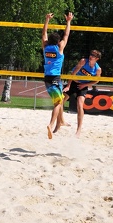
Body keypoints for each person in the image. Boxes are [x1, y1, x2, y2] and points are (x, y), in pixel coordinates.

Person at [42, 11, 73, 139]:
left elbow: (43, 33)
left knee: (59, 99)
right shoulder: (59, 48)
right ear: (58, 41)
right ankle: (51, 124)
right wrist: (68, 21)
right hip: (55, 78)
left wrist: (47, 20)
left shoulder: (45, 47)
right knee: (58, 103)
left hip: (47, 78)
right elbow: (66, 35)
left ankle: (59, 123)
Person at [60, 50, 102, 138]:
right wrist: (68, 85)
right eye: (90, 54)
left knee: (80, 105)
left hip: (83, 86)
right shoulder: (83, 61)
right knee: (60, 101)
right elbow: (73, 73)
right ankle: (61, 121)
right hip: (73, 83)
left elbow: (97, 80)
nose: (91, 56)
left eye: (93, 55)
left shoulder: (97, 69)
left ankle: (78, 130)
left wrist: (85, 85)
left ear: (97, 58)